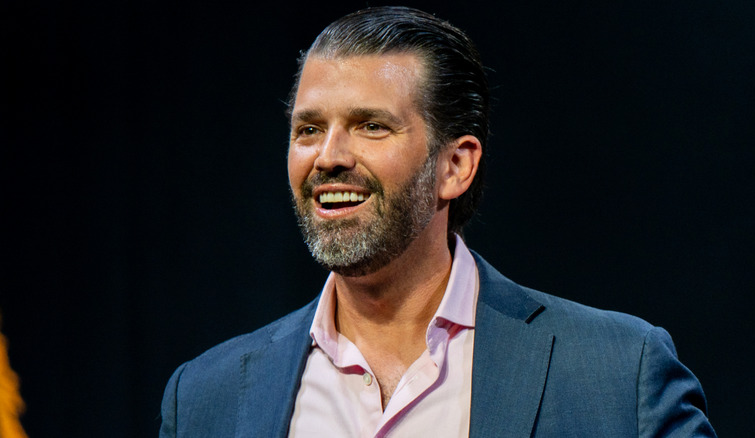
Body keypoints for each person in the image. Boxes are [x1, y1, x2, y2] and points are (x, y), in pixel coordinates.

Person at [160, 6, 716, 437]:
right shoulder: (207, 397)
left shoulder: (619, 376)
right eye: (308, 130)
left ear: (455, 165)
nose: (327, 155)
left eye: (370, 126)